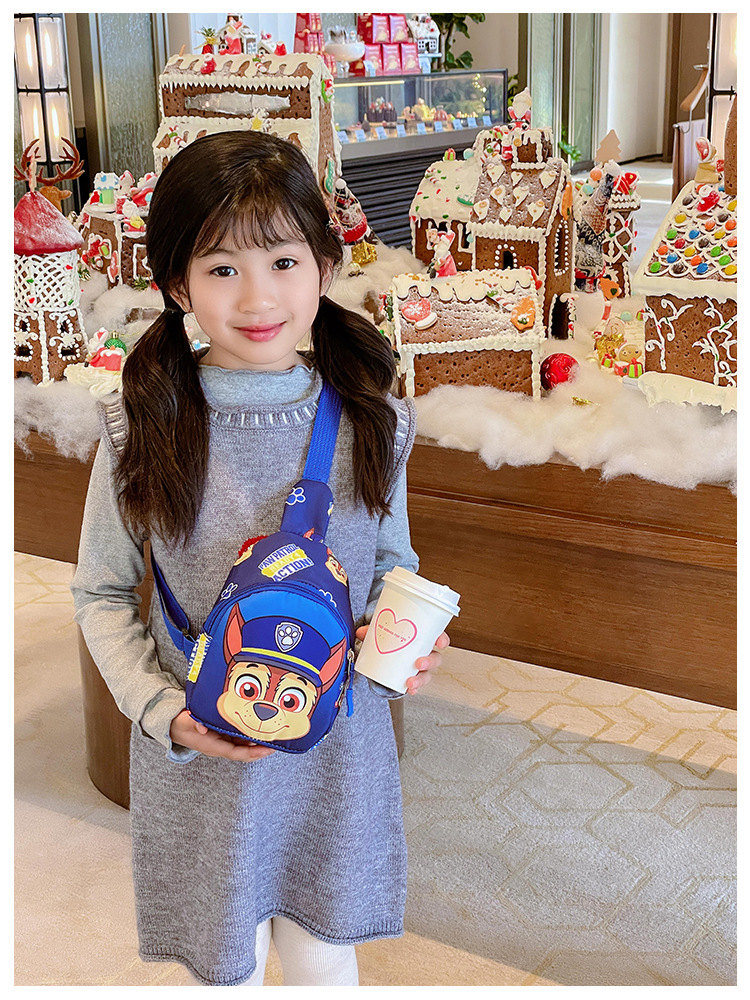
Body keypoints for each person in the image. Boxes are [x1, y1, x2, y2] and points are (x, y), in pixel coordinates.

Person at [71, 130, 449, 987]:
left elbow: (391, 565)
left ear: (324, 265)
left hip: (335, 754)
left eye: (282, 261)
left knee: (325, 958)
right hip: (200, 755)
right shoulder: (139, 427)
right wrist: (161, 711)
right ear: (177, 285)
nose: (257, 296)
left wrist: (403, 642)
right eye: (221, 268)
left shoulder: (373, 419)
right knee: (223, 968)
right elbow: (100, 591)